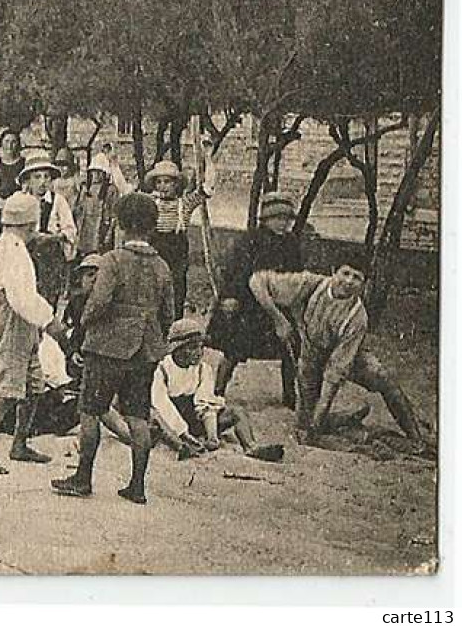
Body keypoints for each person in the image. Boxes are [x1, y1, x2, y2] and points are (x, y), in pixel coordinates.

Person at [51, 192, 177, 505]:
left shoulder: (113, 260)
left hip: (106, 347)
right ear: (152, 228)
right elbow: (170, 314)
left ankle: (83, 478)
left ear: (120, 225)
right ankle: (137, 486)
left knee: (90, 411)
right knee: (138, 415)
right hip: (144, 351)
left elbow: (99, 302)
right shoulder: (162, 266)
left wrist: (84, 322)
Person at [249, 262, 432, 451]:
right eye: (345, 273)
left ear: (363, 284)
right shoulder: (310, 284)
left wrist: (322, 410)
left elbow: (335, 372)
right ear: (333, 272)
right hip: (311, 355)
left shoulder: (357, 317)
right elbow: (257, 281)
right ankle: (341, 420)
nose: (349, 281)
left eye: (357, 277)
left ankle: (415, 436)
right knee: (304, 429)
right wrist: (279, 319)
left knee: (382, 375)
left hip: (350, 357)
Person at [0, 191, 68, 475]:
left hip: (24, 324)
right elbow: (20, 298)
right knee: (9, 389)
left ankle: (19, 443)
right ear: (30, 224)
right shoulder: (10, 251)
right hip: (12, 321)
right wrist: (49, 321)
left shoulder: (12, 246)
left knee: (34, 384)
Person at [207, 191, 304, 402]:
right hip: (249, 304)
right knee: (234, 349)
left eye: (286, 219)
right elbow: (236, 272)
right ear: (266, 220)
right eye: (277, 219)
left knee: (290, 347)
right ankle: (218, 391)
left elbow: (296, 275)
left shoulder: (291, 243)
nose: (282, 224)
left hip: (279, 304)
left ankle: (290, 395)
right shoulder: (250, 241)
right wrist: (231, 297)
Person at [150, 318, 283, 462]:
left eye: (201, 347)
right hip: (172, 423)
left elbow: (205, 401)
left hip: (195, 418)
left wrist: (212, 436)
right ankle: (182, 445)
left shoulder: (203, 369)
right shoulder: (162, 369)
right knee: (154, 417)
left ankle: (251, 446)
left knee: (237, 411)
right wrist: (184, 433)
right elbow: (163, 406)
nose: (199, 352)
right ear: (178, 348)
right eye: (193, 347)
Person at [139, 159, 210, 318]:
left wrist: (208, 157)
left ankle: (175, 323)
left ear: (176, 184)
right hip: (156, 251)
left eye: (167, 182)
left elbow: (208, 188)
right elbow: (126, 191)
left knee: (177, 289)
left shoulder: (184, 204)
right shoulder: (151, 203)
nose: (163, 186)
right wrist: (114, 166)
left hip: (176, 253)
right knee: (153, 289)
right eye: (159, 182)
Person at [18, 150, 78, 306]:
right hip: (26, 256)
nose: (42, 182)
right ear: (28, 180)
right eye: (37, 177)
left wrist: (54, 237)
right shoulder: (20, 201)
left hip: (50, 258)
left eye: (46, 177)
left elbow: (70, 230)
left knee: (48, 301)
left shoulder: (58, 201)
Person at [73, 153, 119, 261]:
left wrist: (108, 235)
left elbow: (114, 215)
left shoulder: (111, 190)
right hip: (86, 232)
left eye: (99, 172)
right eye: (94, 172)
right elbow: (79, 210)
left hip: (101, 230)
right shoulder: (86, 189)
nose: (96, 175)